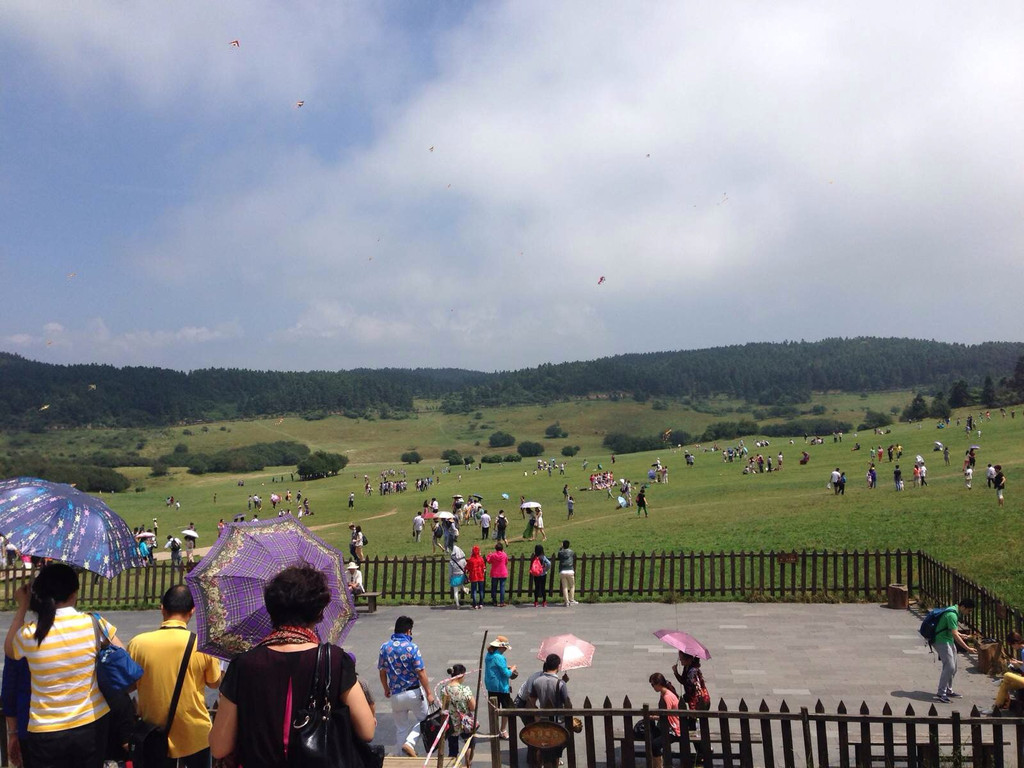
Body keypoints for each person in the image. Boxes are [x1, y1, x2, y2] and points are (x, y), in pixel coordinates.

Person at [210, 565, 375, 767]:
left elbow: (219, 746)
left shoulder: (243, 664)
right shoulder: (334, 660)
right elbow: (367, 731)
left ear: (271, 609)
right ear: (319, 612)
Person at [4, 563, 120, 768]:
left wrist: (23, 605)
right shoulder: (93, 623)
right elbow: (122, 653)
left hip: (45, 729)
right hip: (91, 723)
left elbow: (9, 650)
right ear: (74, 593)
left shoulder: (29, 634)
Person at [128, 585, 222, 768]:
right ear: (192, 611)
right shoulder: (201, 645)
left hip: (153, 734)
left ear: (162, 607)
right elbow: (214, 682)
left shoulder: (138, 644)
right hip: (195, 734)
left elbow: (129, 685)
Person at [378, 616, 434, 757]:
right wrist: (428, 692)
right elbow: (421, 673)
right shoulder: (412, 648)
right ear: (408, 631)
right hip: (413, 692)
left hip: (396, 694)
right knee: (425, 720)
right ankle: (410, 743)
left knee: (400, 728)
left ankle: (401, 757)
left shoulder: (385, 647)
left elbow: (382, 671)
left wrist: (386, 688)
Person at [526, 654, 572, 768]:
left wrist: (537, 714)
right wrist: (564, 683)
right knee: (557, 747)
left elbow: (531, 701)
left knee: (544, 745)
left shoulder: (537, 681)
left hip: (542, 718)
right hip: (557, 720)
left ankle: (541, 760)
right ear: (558, 666)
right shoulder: (560, 684)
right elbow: (567, 704)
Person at [933, 598, 977, 703]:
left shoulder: (954, 611)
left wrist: (961, 635)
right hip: (941, 641)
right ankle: (941, 693)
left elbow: (953, 630)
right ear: (963, 607)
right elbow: (954, 634)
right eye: (969, 610)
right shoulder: (952, 614)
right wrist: (968, 648)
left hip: (948, 640)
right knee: (949, 667)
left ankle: (949, 690)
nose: (968, 613)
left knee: (954, 667)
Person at [440, 664, 476, 767]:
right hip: (465, 722)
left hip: (451, 723)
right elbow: (473, 707)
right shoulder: (464, 689)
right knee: (469, 744)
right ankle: (468, 764)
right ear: (461, 675)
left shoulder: (444, 689)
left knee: (453, 748)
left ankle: (453, 765)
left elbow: (443, 706)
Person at [484, 636, 517, 739]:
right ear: (500, 647)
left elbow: (496, 668)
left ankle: (494, 730)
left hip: (491, 686)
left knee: (494, 709)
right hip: (501, 687)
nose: (505, 650)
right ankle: (503, 729)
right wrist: (512, 669)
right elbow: (506, 674)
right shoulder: (499, 657)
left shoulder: (489, 655)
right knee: (506, 709)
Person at [649, 672, 681, 768]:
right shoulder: (663, 693)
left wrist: (653, 717)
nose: (652, 687)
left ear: (658, 684)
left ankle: (658, 766)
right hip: (666, 726)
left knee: (655, 744)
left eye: (653, 684)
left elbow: (665, 715)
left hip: (673, 730)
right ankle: (656, 763)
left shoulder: (667, 696)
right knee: (651, 737)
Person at [486, 542, 509, 607]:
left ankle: (494, 601)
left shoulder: (493, 555)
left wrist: (489, 555)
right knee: (502, 587)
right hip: (503, 573)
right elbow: (506, 562)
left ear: (496, 549)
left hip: (495, 573)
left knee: (494, 588)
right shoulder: (504, 555)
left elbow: (489, 561)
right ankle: (502, 602)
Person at [556, 540, 577, 607]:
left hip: (563, 571)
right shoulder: (571, 552)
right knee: (572, 586)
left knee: (564, 587)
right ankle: (571, 599)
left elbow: (558, 556)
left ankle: (566, 602)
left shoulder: (560, 552)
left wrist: (560, 548)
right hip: (570, 570)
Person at [466, 545, 486, 610]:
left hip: (474, 576)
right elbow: (484, 567)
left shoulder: (471, 560)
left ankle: (475, 604)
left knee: (474, 590)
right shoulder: (481, 559)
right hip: (480, 576)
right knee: (481, 590)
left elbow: (467, 568)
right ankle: (481, 603)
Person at [449, 544, 468, 609]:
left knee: (455, 592)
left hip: (454, 576)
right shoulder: (463, 560)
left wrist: (450, 577)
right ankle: (465, 590)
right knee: (461, 584)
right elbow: (466, 567)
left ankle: (457, 605)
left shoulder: (451, 561)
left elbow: (450, 571)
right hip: (461, 576)